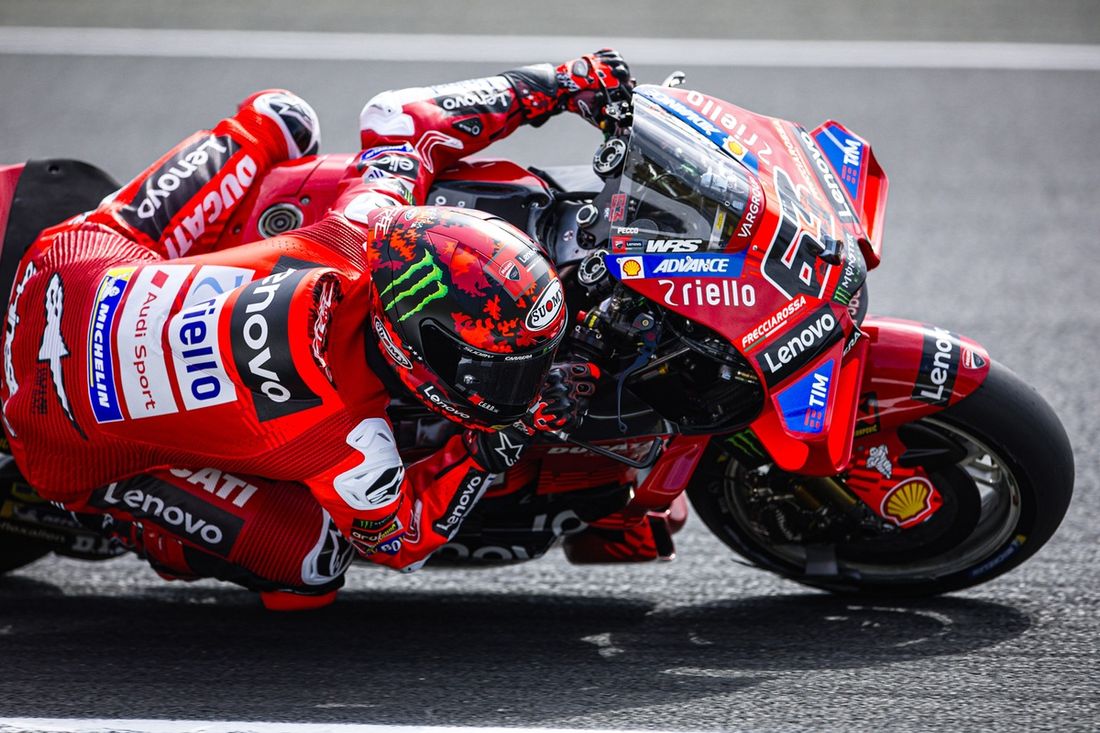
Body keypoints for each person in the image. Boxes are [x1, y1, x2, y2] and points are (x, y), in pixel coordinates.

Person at [0, 51, 632, 609]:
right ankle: (105, 510)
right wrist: (500, 440)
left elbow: (399, 119)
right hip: (53, 435)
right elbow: (401, 539)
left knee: (280, 117)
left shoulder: (360, 230)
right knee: (310, 564)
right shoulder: (351, 442)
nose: (527, 375)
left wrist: (558, 84)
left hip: (65, 267)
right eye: (509, 366)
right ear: (417, 359)